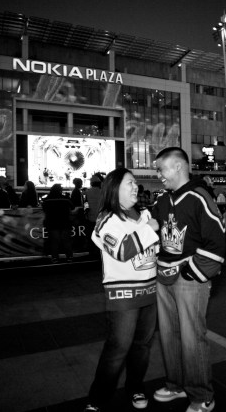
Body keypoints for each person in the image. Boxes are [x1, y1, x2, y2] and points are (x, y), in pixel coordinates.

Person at [151, 147, 226, 412]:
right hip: (164, 277)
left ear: (178, 166)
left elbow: (217, 241)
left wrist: (191, 271)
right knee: (169, 336)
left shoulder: (199, 197)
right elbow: (154, 228)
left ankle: (202, 396)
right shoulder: (163, 200)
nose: (158, 175)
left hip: (189, 278)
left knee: (192, 338)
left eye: (161, 169)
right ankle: (176, 384)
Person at [83, 168, 160, 412]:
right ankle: (97, 399)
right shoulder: (107, 219)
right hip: (123, 296)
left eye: (136, 182)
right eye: (130, 183)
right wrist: (150, 229)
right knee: (117, 350)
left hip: (150, 292)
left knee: (142, 347)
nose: (135, 186)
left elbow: (154, 254)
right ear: (114, 188)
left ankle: (135, 387)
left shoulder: (144, 215)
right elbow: (123, 251)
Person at [42, 183, 74, 263]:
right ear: (60, 190)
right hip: (65, 222)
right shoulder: (66, 199)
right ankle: (69, 257)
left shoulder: (47, 199)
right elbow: (72, 207)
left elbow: (43, 209)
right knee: (66, 241)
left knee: (54, 241)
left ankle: (55, 258)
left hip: (52, 223)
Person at [84, 173, 104, 256]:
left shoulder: (87, 192)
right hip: (101, 219)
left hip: (91, 218)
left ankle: (92, 253)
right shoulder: (103, 192)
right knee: (100, 237)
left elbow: (86, 206)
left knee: (91, 237)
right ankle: (100, 253)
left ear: (91, 183)